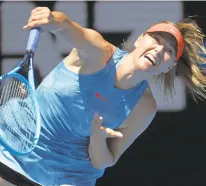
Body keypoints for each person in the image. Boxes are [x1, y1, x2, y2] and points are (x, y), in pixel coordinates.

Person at [0, 6, 206, 186]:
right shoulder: (98, 52)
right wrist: (52, 19)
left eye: (169, 50)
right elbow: (68, 27)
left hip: (68, 175)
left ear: (168, 67)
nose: (159, 49)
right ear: (140, 39)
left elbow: (105, 160)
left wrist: (97, 139)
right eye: (157, 39)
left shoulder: (144, 107)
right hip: (16, 140)